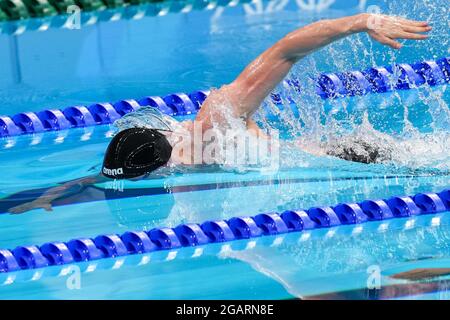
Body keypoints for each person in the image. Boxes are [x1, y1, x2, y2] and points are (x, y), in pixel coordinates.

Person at [7, 13, 431, 214]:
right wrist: (46, 196)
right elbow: (101, 177)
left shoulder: (216, 120)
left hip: (350, 155)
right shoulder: (165, 153)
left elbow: (285, 49)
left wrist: (361, 22)